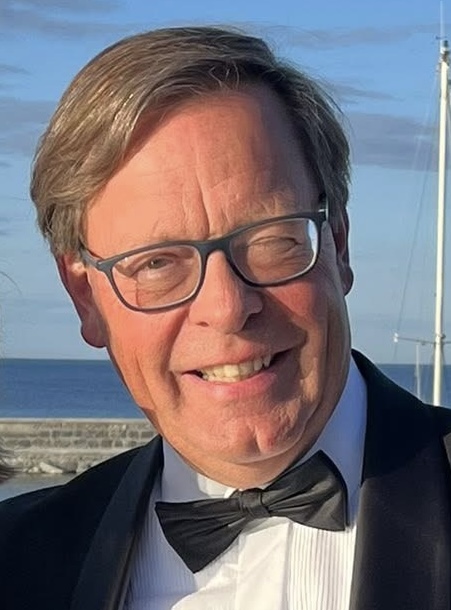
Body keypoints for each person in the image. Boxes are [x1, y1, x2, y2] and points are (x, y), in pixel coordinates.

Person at [0, 25, 450, 610]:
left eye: (270, 240)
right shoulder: (16, 562)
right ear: (85, 297)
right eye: (157, 263)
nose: (227, 307)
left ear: (338, 245)